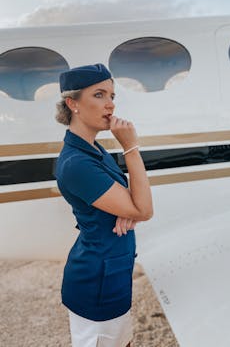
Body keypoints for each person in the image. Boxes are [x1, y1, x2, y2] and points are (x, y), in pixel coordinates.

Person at [54, 63, 153, 347]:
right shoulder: (77, 163)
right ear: (72, 103)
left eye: (112, 96)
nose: (110, 105)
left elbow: (134, 203)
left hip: (112, 272)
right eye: (99, 95)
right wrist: (131, 147)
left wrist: (129, 212)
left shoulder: (94, 149)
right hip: (96, 281)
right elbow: (144, 209)